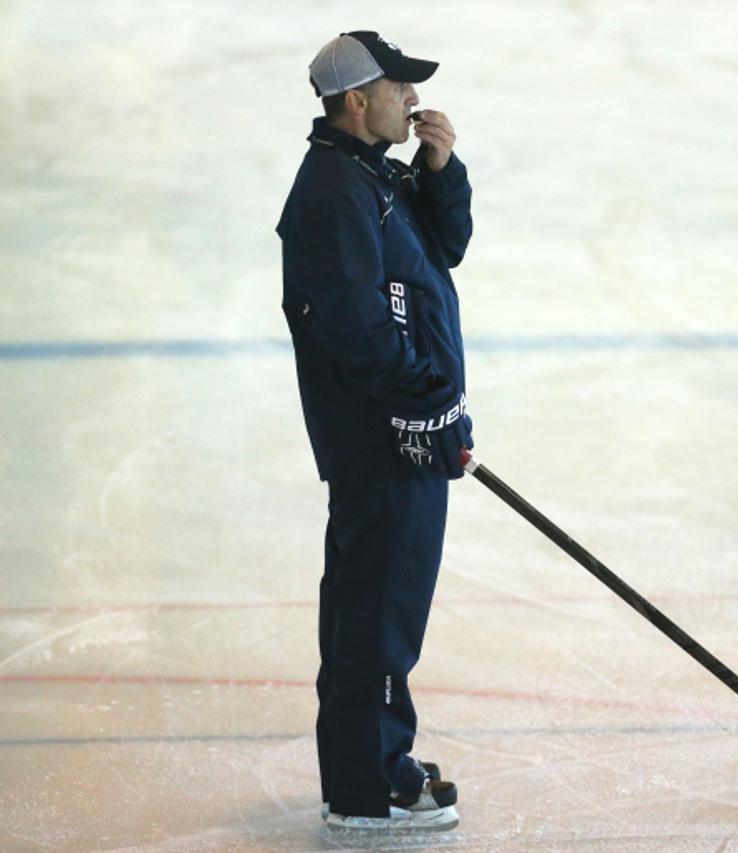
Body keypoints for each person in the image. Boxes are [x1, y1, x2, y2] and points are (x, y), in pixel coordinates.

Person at [275, 30, 474, 832]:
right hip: (383, 435)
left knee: (383, 603)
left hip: (407, 425)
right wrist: (425, 402)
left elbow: (444, 252)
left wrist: (440, 172)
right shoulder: (331, 195)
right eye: (397, 88)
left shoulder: (371, 175)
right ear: (358, 101)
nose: (412, 100)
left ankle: (377, 759)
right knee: (377, 608)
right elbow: (357, 329)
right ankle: (365, 788)